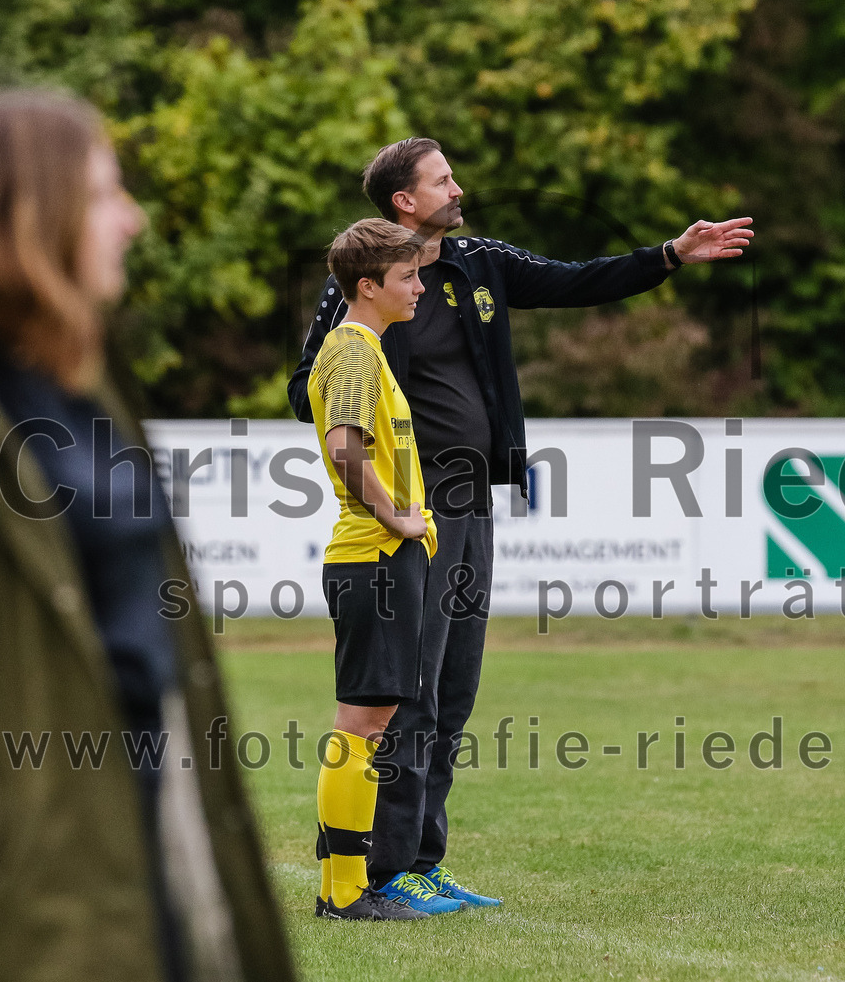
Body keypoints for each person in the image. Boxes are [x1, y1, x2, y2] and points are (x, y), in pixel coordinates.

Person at [288, 137, 754, 907]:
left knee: (455, 686)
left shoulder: (478, 262)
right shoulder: (364, 286)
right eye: (442, 180)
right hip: (410, 507)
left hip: (471, 504)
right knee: (409, 693)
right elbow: (308, 383)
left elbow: (577, 281)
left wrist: (669, 254)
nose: (457, 187)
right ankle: (382, 868)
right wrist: (384, 461)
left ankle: (422, 858)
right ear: (403, 200)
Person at [0, 89, 295, 982]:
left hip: (157, 818)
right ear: (28, 217)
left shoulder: (86, 388)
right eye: (102, 194)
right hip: (44, 876)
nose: (132, 220)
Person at [307, 217, 464, 920]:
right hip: (372, 556)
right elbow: (345, 445)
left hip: (380, 558)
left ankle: (347, 885)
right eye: (407, 277)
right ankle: (344, 892)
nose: (420, 287)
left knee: (368, 723)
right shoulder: (354, 349)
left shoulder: (366, 346)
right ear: (367, 286)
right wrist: (398, 517)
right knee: (362, 725)